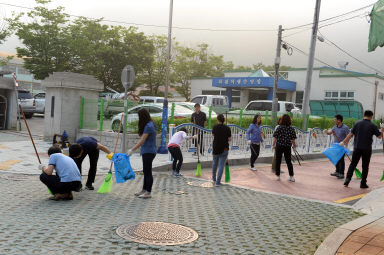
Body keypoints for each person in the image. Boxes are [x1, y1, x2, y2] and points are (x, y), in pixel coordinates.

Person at [341, 110, 384, 188]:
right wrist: (382, 129)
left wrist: (343, 142)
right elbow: (379, 136)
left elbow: (350, 134)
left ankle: (347, 179)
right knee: (365, 166)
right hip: (367, 149)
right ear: (371, 116)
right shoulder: (372, 125)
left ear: (364, 115)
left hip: (357, 147)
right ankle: (363, 183)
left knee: (353, 164)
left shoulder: (357, 123)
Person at [127, 108, 157, 198]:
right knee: (146, 171)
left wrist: (132, 149)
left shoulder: (149, 126)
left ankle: (148, 192)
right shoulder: (151, 124)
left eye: (139, 116)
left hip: (149, 152)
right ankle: (144, 190)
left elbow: (142, 140)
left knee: (148, 172)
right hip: (149, 151)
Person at [323, 114, 350, 179]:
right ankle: (337, 171)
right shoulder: (335, 127)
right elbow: (330, 132)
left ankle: (341, 173)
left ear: (339, 120)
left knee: (341, 159)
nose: (334, 120)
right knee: (336, 158)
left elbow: (349, 136)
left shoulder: (345, 128)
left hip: (342, 146)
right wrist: (326, 132)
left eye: (335, 119)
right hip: (335, 146)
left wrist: (346, 145)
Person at [272, 114, 297, 182]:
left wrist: (273, 145)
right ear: (289, 120)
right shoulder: (291, 129)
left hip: (279, 146)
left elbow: (275, 137)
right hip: (287, 146)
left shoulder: (279, 128)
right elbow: (293, 140)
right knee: (288, 162)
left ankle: (278, 176)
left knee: (278, 160)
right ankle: (291, 176)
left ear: (282, 120)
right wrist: (294, 147)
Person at [212, 114, 232, 186]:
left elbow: (213, 135)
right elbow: (230, 139)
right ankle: (218, 182)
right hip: (224, 148)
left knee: (214, 163)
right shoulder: (227, 128)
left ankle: (213, 179)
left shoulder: (214, 127)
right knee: (221, 165)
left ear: (218, 120)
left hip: (216, 148)